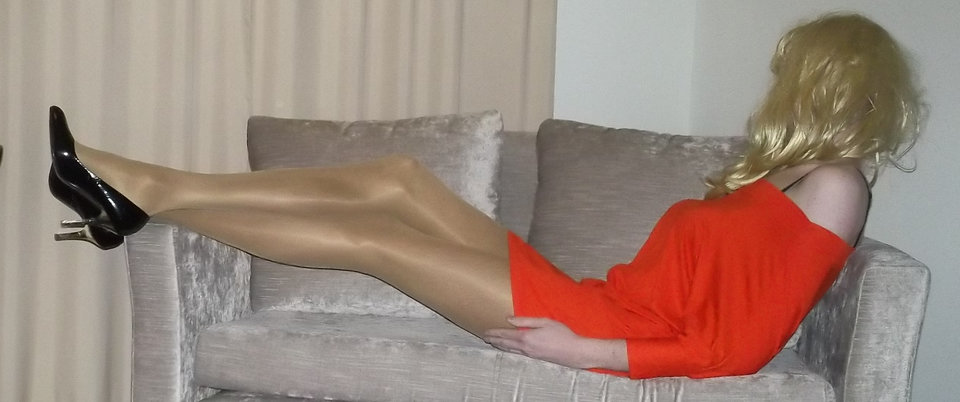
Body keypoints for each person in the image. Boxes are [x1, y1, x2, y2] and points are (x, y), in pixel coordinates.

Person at [47, 13, 922, 379]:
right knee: (398, 180)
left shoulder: (836, 186)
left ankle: (140, 193)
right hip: (589, 296)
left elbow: (740, 347)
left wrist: (589, 351)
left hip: (595, 324)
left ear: (831, 80)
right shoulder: (792, 176)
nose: (778, 84)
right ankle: (149, 188)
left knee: (376, 240)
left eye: (793, 71)